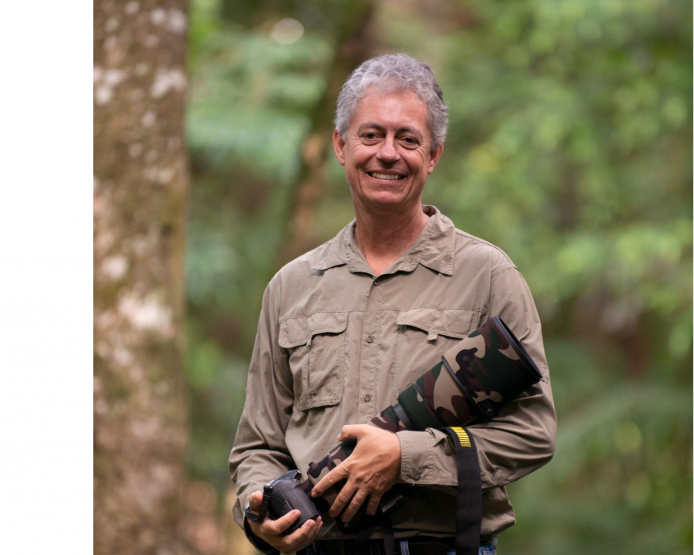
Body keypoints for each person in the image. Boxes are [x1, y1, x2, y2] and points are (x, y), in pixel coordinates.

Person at [229, 53, 556, 555]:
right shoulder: (291, 286)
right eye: (370, 135)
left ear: (434, 155)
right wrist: (257, 512)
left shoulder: (487, 274)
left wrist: (407, 455)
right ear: (341, 145)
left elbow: (533, 433)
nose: (388, 154)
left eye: (408, 139)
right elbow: (257, 444)